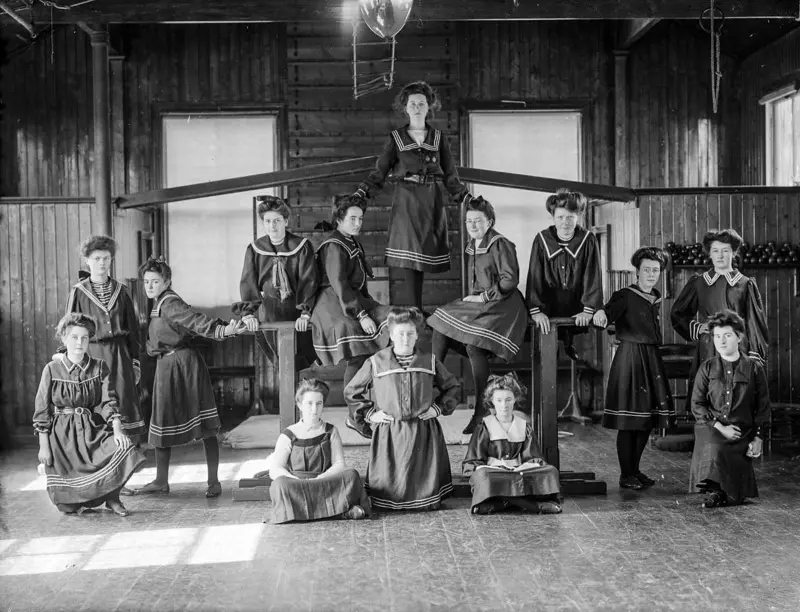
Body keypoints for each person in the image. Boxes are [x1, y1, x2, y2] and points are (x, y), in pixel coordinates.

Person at [352, 80, 472, 310]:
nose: (417, 107)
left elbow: (451, 175)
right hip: (406, 198)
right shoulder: (396, 138)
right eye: (412, 103)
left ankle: (419, 307)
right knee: (408, 251)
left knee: (425, 250)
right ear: (405, 108)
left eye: (422, 103)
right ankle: (414, 308)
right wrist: (362, 192)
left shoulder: (439, 138)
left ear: (429, 107)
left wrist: (467, 198)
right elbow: (381, 171)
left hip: (431, 199)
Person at [134, 257, 243, 498]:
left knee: (206, 426)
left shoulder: (170, 302)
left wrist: (222, 330)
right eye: (146, 282)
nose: (149, 286)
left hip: (185, 365)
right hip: (166, 366)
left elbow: (195, 320)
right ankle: (161, 481)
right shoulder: (158, 303)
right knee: (161, 421)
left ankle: (214, 482)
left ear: (167, 281)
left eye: (155, 281)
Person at [427, 196, 528, 434]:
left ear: (490, 221)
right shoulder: (472, 245)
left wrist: (482, 298)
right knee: (440, 321)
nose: (472, 225)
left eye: (478, 221)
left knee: (473, 345)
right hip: (483, 304)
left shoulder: (500, 243)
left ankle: (481, 411)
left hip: (504, 305)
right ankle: (433, 385)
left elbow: (510, 280)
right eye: (468, 221)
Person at [345, 307, 461, 511]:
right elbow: (351, 391)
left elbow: (453, 386)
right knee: (390, 483)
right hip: (390, 432)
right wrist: (371, 414)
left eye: (410, 333)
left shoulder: (429, 361)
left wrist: (438, 408)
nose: (405, 338)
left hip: (423, 431)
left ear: (417, 335)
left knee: (423, 483)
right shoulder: (376, 362)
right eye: (400, 333)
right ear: (391, 335)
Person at [34, 313, 145, 516]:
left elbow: (108, 401)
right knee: (68, 507)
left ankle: (112, 498)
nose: (80, 342)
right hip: (62, 437)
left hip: (90, 429)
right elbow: (42, 410)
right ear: (64, 339)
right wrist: (44, 447)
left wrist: (118, 431)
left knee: (122, 447)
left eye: (84, 337)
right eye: (74, 337)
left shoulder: (98, 366)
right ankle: (81, 497)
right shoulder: (51, 369)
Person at [309, 194, 392, 439]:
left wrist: (372, 307)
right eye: (352, 218)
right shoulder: (335, 244)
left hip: (352, 299)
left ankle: (372, 408)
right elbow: (339, 284)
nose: (357, 223)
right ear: (339, 220)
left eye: (360, 218)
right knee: (358, 350)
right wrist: (362, 314)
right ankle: (356, 414)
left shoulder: (351, 241)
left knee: (392, 319)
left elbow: (359, 284)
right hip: (333, 304)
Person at [601, 247, 676, 490]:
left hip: (651, 357)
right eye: (647, 269)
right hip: (631, 359)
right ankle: (626, 474)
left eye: (656, 270)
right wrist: (601, 314)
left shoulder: (654, 296)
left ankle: (634, 470)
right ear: (637, 271)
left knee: (646, 419)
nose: (651, 274)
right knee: (629, 420)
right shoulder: (624, 295)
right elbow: (607, 312)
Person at [671, 229, 768, 411]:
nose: (720, 255)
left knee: (738, 399)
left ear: (734, 253)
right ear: (709, 253)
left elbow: (756, 324)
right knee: (708, 395)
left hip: (739, 349)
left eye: (725, 250)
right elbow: (678, 313)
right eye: (715, 251)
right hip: (708, 348)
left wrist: (753, 357)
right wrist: (697, 328)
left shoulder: (745, 284)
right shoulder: (699, 283)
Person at [65, 236, 146, 448]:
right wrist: (72, 360)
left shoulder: (122, 291)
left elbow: (133, 331)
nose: (102, 263)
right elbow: (70, 329)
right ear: (87, 261)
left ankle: (123, 464)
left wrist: (135, 363)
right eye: (97, 258)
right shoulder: (78, 291)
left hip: (120, 356)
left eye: (107, 258)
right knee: (95, 406)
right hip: (91, 356)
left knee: (123, 406)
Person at [689, 310, 770, 508]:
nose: (721, 341)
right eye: (717, 336)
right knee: (714, 446)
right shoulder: (706, 368)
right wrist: (719, 426)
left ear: (739, 337)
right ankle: (715, 492)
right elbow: (697, 404)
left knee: (736, 496)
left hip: (741, 432)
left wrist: (758, 437)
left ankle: (721, 493)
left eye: (727, 335)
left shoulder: (754, 368)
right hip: (711, 427)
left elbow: (763, 407)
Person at [262, 378, 370, 524]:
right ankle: (339, 513)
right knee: (279, 485)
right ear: (299, 405)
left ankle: (299, 514)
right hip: (297, 484)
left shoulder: (331, 431)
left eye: (319, 404)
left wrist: (320, 478)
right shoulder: (288, 434)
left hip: (325, 482)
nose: (314, 409)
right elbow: (275, 469)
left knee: (352, 476)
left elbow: (339, 464)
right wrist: (296, 481)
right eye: (309, 403)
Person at [236, 195, 318, 371]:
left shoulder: (302, 246)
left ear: (286, 221)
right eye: (267, 221)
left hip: (297, 311)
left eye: (277, 221)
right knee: (281, 362)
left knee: (300, 360)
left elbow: (308, 280)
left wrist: (305, 312)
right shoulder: (255, 249)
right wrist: (248, 313)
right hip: (270, 311)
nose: (272, 226)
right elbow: (248, 282)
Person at [463, 373, 561, 515]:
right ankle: (531, 505)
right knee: (484, 475)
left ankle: (501, 503)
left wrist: (524, 467)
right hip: (494, 472)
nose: (504, 405)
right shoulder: (484, 426)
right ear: (492, 401)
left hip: (520, 471)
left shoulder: (523, 426)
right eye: (499, 400)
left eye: (508, 399)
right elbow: (472, 463)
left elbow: (534, 458)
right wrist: (490, 468)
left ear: (515, 399)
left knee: (551, 471)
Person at [526, 189, 606, 360]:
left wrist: (588, 310)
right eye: (560, 217)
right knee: (546, 352)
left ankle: (569, 344)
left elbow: (593, 276)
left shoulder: (588, 240)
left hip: (576, 305)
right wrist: (535, 310)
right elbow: (535, 277)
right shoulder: (542, 240)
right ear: (553, 217)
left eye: (570, 217)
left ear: (579, 216)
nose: (565, 222)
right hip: (548, 305)